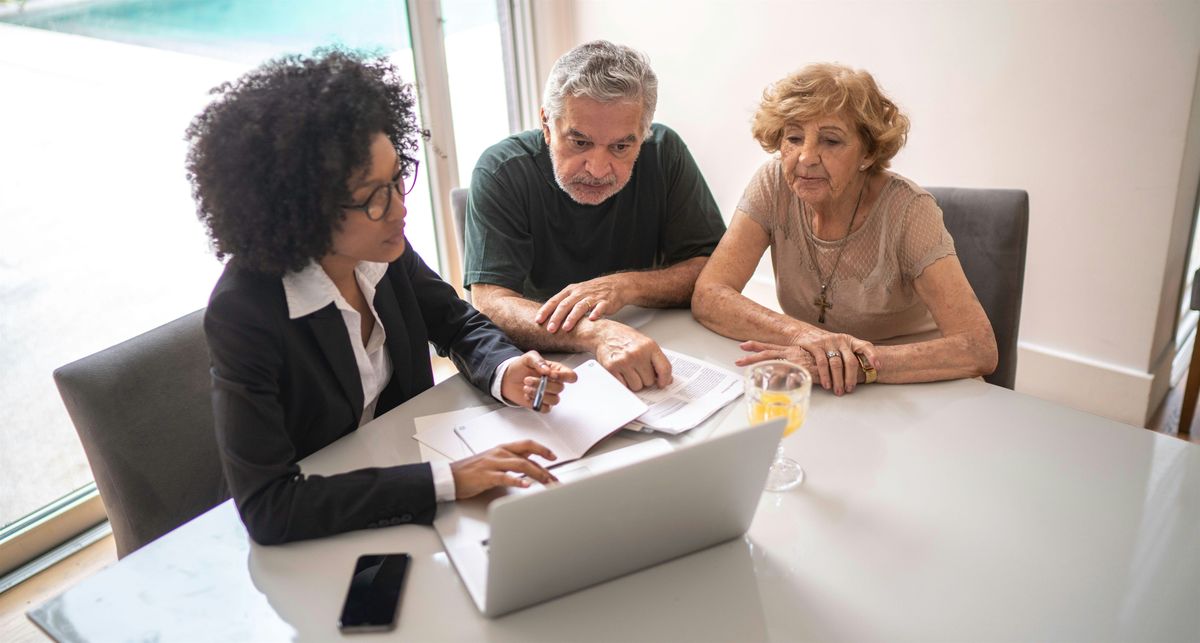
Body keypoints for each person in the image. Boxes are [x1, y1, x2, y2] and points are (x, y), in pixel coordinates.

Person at [185, 49, 576, 545]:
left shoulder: (381, 249)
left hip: (402, 469)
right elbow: (270, 506)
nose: (400, 208)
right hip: (329, 524)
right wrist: (451, 480)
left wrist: (505, 370)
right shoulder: (245, 314)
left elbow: (457, 322)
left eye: (397, 178)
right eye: (373, 195)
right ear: (303, 211)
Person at [692, 63, 997, 396]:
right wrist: (805, 338)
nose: (806, 157)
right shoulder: (773, 183)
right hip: (830, 385)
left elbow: (978, 348)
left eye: (831, 141)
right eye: (793, 137)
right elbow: (710, 294)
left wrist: (854, 362)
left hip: (921, 386)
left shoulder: (910, 210)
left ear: (867, 153)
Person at [464, 40, 727, 392]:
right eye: (580, 142)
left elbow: (712, 269)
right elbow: (491, 303)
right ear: (546, 123)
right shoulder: (502, 170)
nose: (599, 169)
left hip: (653, 340)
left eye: (621, 147)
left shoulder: (665, 152)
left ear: (644, 132)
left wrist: (625, 285)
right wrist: (593, 332)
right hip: (545, 363)